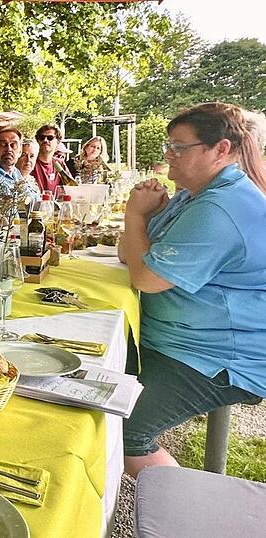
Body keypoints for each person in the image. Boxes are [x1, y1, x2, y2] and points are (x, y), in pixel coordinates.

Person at [119, 102, 266, 479]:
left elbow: (145, 278)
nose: (169, 155)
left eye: (180, 147)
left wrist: (136, 216)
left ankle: (198, 513)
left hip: (216, 357)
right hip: (179, 341)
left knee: (124, 431)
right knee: (91, 387)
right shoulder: (194, 193)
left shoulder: (222, 207)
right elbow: (130, 253)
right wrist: (143, 224)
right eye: (169, 145)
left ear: (222, 150)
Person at [32, 124, 74, 192]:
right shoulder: (30, 161)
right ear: (38, 140)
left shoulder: (59, 163)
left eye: (50, 138)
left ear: (58, 141)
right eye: (42, 137)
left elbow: (71, 187)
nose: (45, 140)